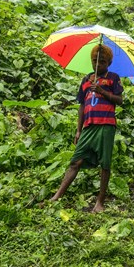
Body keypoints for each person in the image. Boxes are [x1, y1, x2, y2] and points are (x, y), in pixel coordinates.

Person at [50, 44, 123, 213]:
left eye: (102, 62)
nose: (98, 65)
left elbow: (119, 100)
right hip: (88, 126)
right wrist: (78, 130)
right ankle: (57, 196)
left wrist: (102, 91)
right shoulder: (86, 80)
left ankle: (100, 202)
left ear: (109, 63)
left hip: (106, 125)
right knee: (76, 161)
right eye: (95, 61)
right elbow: (82, 105)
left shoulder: (113, 78)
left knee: (105, 164)